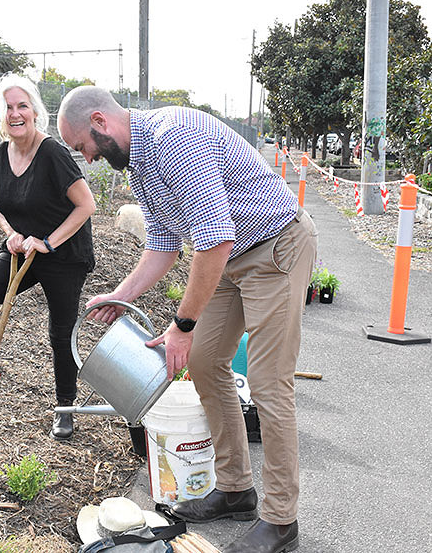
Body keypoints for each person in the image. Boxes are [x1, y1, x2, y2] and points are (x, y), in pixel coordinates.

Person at [57, 86, 317, 553]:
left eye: (83, 147)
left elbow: (213, 239)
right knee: (205, 363)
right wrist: (122, 294)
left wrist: (183, 326)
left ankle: (281, 521)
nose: (88, 160)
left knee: (268, 381)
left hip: (275, 247)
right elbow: (164, 246)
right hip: (230, 258)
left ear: (100, 122)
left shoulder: (173, 137)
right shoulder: (141, 167)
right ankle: (236, 489)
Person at [0, 74, 95, 441]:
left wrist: (48, 242)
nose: (15, 113)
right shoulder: (0, 155)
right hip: (22, 250)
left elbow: (86, 205)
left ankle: (65, 409)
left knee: (60, 330)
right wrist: (11, 234)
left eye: (22, 105)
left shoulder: (53, 153)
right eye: (8, 107)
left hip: (63, 253)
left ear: (34, 111)